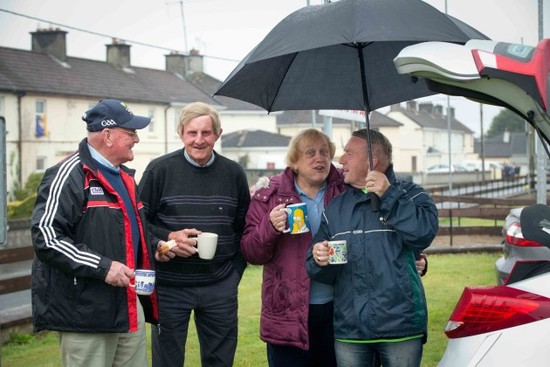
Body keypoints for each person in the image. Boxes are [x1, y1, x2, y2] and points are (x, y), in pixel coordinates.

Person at [242, 129, 428, 367]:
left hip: (341, 309)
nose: (320, 158)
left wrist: (412, 257)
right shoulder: (270, 196)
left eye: (325, 152)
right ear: (294, 162)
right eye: (310, 153)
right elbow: (251, 252)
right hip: (287, 311)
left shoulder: (347, 187)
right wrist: (269, 227)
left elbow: (377, 232)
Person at [30, 99, 161, 367]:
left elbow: (132, 232)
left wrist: (160, 244)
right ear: (108, 135)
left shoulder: (124, 176)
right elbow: (46, 236)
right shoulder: (68, 174)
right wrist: (103, 267)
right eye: (131, 132)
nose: (136, 139)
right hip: (84, 312)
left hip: (127, 303)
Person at [306, 129, 438, 367]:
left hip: (400, 327)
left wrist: (388, 195)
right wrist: (318, 259)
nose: (341, 160)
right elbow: (320, 271)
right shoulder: (336, 207)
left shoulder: (411, 195)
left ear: (371, 159)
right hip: (351, 330)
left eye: (348, 153)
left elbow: (423, 233)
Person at [138, 101, 251, 367]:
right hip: (169, 287)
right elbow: (139, 221)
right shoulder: (159, 169)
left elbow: (243, 226)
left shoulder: (233, 172)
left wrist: (233, 274)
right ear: (181, 133)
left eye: (206, 133)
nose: (199, 140)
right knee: (167, 361)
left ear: (217, 134)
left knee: (220, 360)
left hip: (219, 285)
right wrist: (167, 240)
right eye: (192, 133)